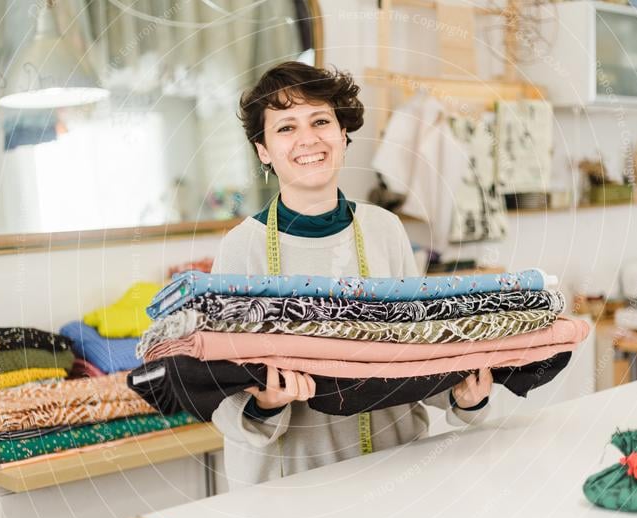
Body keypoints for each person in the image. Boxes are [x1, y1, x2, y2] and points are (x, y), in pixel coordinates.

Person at [211, 61, 493, 490]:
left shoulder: (385, 230)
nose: (308, 138)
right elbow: (217, 390)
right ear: (263, 150)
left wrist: (461, 396)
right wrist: (265, 404)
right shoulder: (241, 248)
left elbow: (416, 357)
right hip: (291, 490)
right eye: (285, 127)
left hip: (396, 473)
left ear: (343, 134)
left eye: (321, 120)